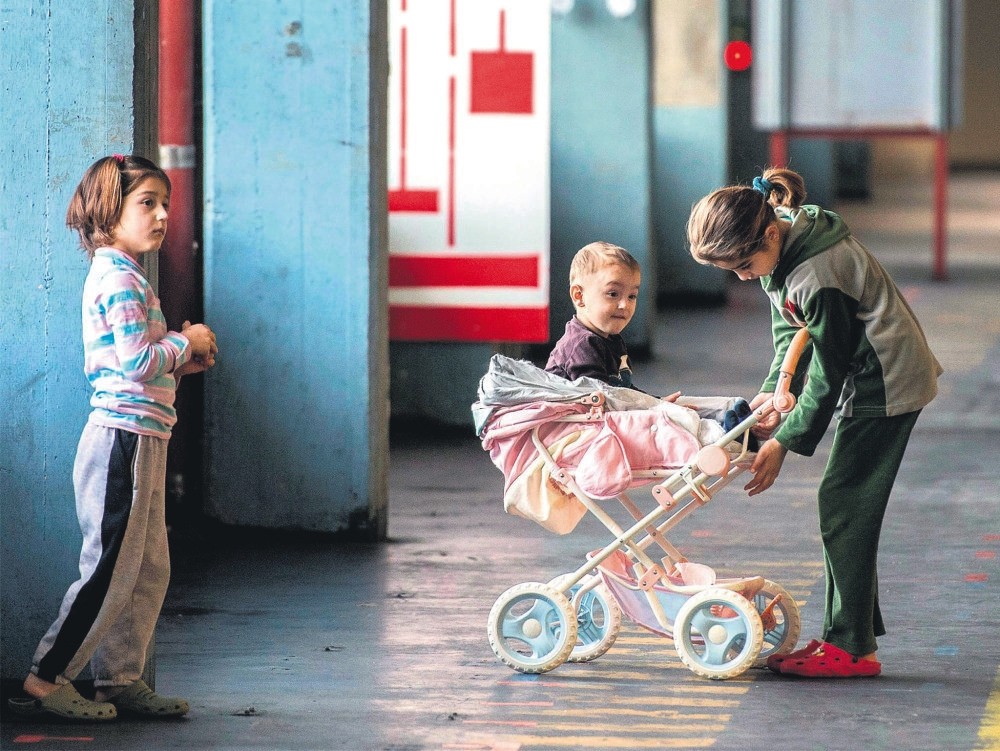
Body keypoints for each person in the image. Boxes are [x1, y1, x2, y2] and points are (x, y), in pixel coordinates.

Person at [687, 167, 942, 678]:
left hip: (886, 379)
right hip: (864, 372)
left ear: (771, 234)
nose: (743, 276)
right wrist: (774, 393)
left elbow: (828, 369)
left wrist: (783, 441)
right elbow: (792, 330)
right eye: (731, 270)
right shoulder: (777, 247)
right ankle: (850, 637)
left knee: (845, 504)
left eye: (744, 264)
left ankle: (850, 647)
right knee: (846, 505)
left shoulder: (817, 272)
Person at [9, 154, 218, 721]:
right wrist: (185, 341)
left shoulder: (129, 276)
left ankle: (118, 679)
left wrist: (183, 360)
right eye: (146, 203)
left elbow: (144, 365)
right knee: (108, 569)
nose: (161, 216)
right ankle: (47, 677)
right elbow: (135, 362)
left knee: (148, 568)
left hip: (143, 438)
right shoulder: (119, 278)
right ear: (110, 211)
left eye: (165, 205)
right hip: (121, 444)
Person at [545, 240, 751, 431]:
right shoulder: (581, 346)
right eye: (613, 294)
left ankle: (730, 411)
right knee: (676, 417)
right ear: (579, 296)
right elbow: (603, 401)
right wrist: (654, 408)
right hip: (584, 432)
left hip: (613, 418)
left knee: (682, 405)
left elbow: (624, 391)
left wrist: (656, 401)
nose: (625, 305)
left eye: (632, 296)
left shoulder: (610, 339)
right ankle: (720, 431)